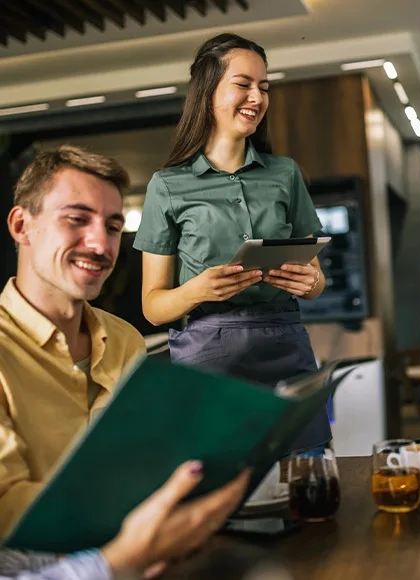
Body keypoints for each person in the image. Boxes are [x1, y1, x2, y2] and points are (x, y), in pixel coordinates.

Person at [0, 146, 249, 576]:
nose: (100, 244)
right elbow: (7, 510)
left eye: (113, 226)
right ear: (22, 225)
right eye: (76, 219)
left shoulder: (124, 340)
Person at [133, 32, 331, 451]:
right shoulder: (167, 186)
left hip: (286, 343)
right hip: (207, 354)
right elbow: (152, 306)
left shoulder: (284, 174)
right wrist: (197, 289)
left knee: (307, 473)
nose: (257, 98)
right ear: (208, 93)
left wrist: (310, 284)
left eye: (264, 87)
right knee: (216, 486)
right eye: (243, 84)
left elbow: (316, 280)